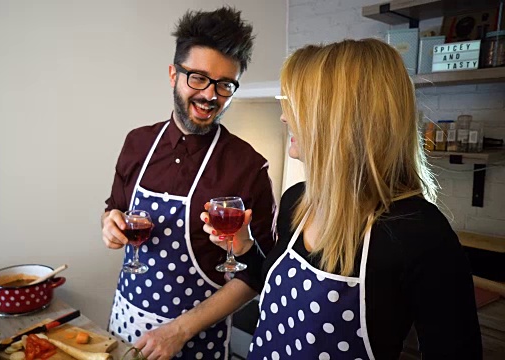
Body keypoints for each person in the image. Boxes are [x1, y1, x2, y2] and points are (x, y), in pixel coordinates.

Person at [188, 38, 482, 359]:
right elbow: (271, 284)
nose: (284, 117)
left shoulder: (418, 233)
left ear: (339, 118)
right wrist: (244, 246)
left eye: (296, 103)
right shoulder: (297, 201)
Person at [101, 6, 277, 359]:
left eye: (225, 85)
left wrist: (178, 331)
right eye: (198, 77)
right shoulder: (137, 143)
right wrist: (110, 225)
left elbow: (257, 273)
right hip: (124, 326)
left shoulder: (248, 166)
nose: (210, 95)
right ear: (173, 74)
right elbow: (114, 209)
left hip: (197, 341)